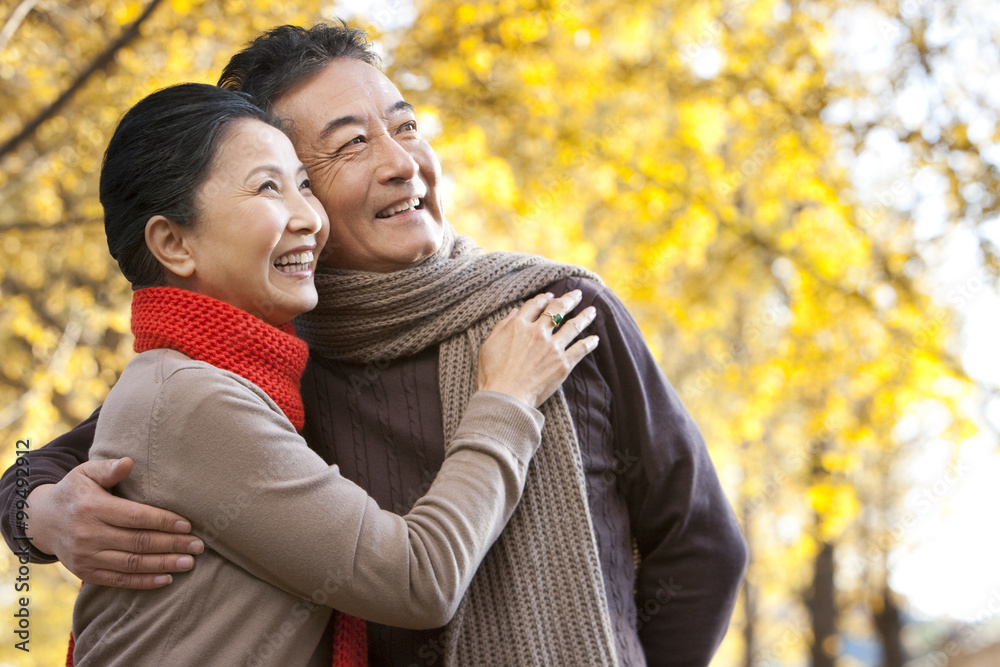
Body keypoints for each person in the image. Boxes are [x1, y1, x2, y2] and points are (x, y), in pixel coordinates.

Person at [0, 21, 748, 666]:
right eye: (352, 145)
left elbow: (703, 546)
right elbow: (62, 460)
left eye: (407, 126)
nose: (401, 162)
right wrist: (43, 512)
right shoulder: (267, 359)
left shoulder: (556, 311)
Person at [64, 81, 598, 665]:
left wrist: (31, 506)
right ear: (173, 242)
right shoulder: (190, 397)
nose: (310, 219)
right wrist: (506, 400)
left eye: (304, 186)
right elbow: (418, 580)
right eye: (268, 187)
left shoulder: (208, 376)